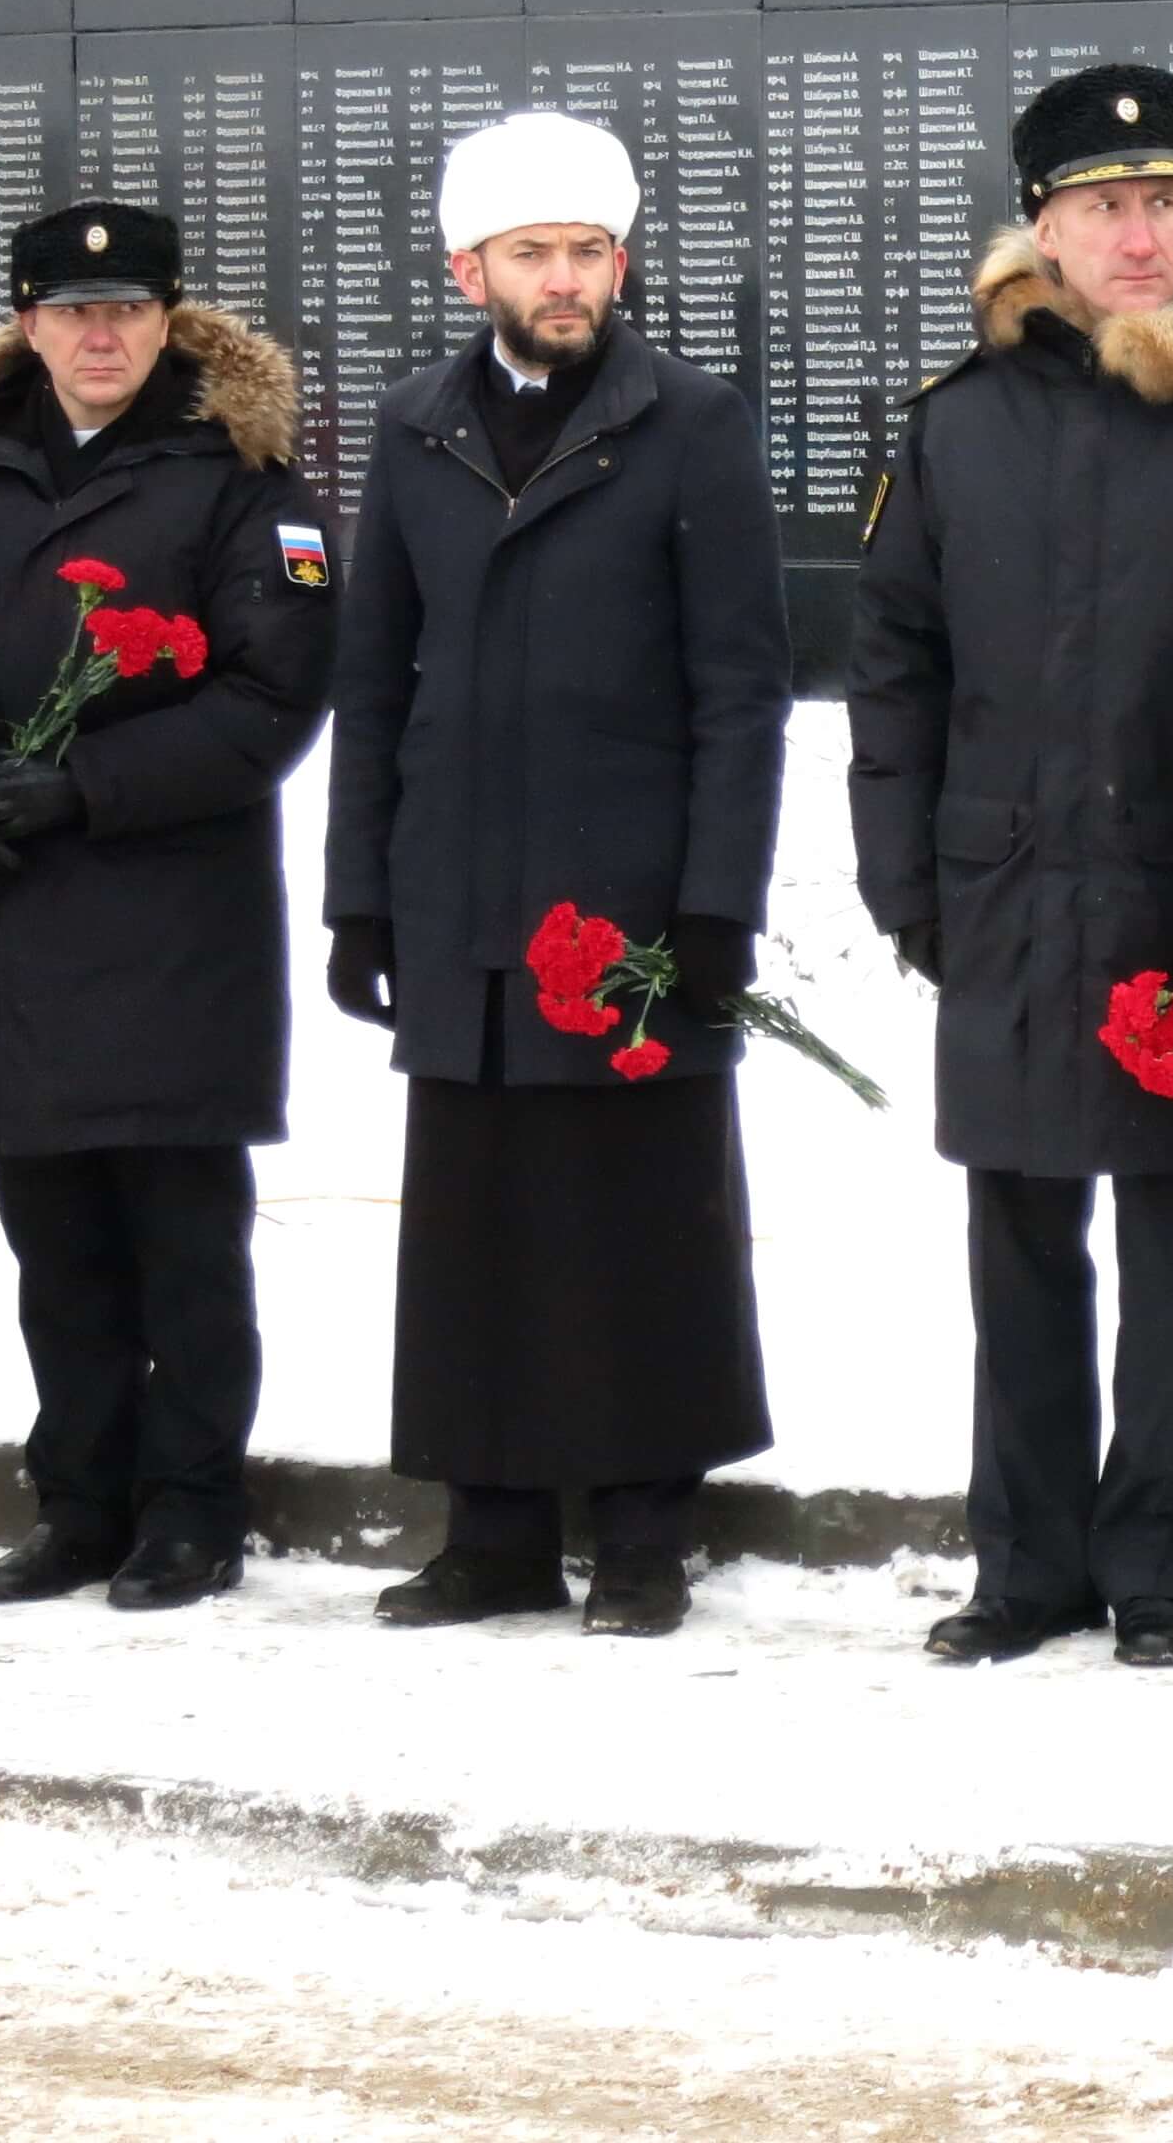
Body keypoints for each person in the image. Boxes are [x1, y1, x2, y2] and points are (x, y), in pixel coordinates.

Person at [849, 63, 1173, 1672]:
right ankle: (1026, 1564)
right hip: (1009, 889)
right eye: (1106, 208)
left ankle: (1164, 1567)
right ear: (1041, 226)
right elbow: (895, 662)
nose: (1139, 235)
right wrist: (904, 877)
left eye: (1165, 203)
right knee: (1022, 1239)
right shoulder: (958, 425)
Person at [321, 112, 792, 1641]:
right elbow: (376, 681)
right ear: (473, 268)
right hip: (459, 892)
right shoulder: (412, 431)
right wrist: (359, 897)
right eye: (536, 253)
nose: (568, 278)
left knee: (640, 1220)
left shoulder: (692, 426)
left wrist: (716, 905)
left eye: (590, 250)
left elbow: (739, 688)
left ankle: (648, 1536)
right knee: (478, 1227)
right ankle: (496, 1536)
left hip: (630, 906)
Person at [0, 202, 334, 1613]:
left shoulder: (245, 478)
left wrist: (87, 785)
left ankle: (192, 1508)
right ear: (24, 324)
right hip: (12, 917)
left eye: (127, 310)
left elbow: (275, 696)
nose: (98, 334)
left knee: (183, 1245)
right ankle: (79, 1503)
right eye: (71, 312)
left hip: (173, 914)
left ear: (170, 320)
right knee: (57, 1244)